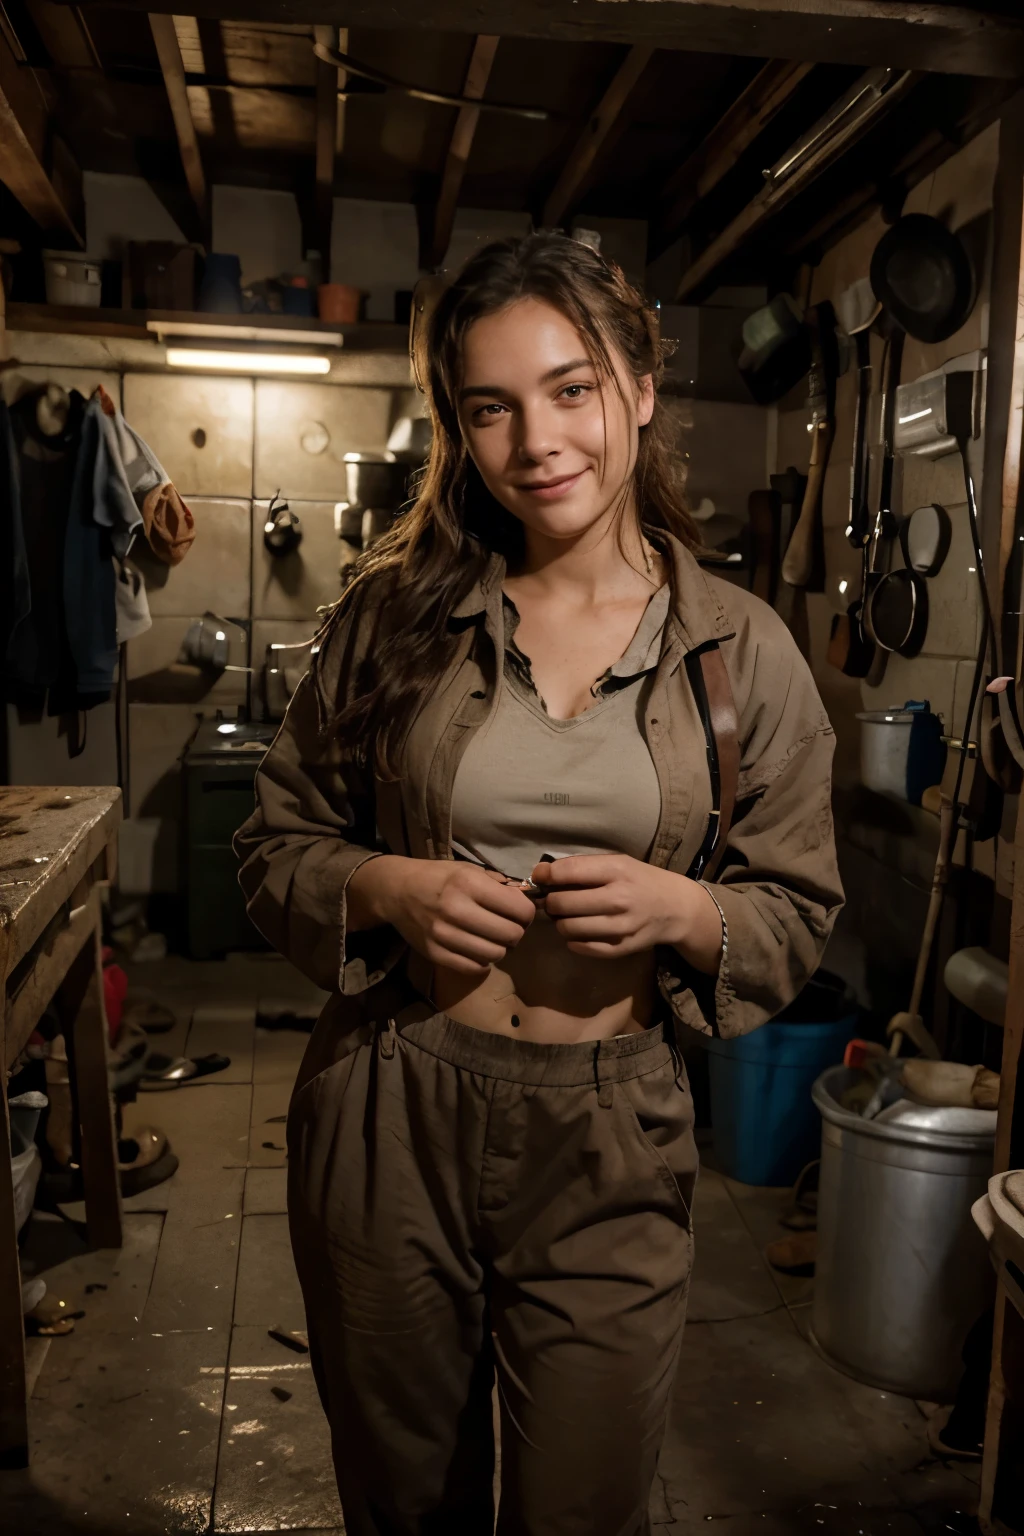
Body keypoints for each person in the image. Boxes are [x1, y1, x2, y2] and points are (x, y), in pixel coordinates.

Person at [234, 231, 844, 1536]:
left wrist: (690, 911)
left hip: (612, 1131)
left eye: (570, 389)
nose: (536, 442)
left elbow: (796, 906)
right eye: (490, 407)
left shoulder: (746, 652)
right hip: (393, 1107)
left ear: (638, 386)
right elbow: (276, 844)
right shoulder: (391, 620)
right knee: (404, 1500)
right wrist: (385, 886)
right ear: (459, 428)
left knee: (584, 1502)